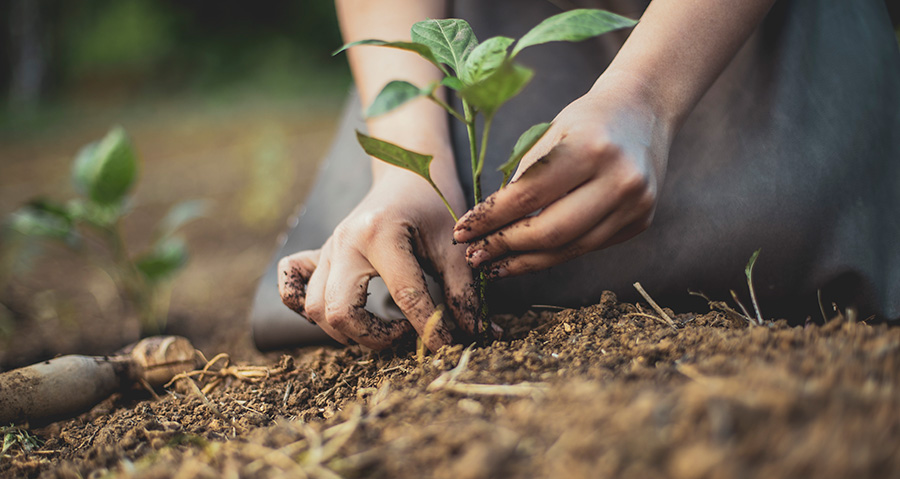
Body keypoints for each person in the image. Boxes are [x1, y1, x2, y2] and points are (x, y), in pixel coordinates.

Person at [251, 0, 900, 352]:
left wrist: (648, 95)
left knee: (773, 218)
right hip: (470, 37)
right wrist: (407, 161)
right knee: (391, 256)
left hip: (720, 27)